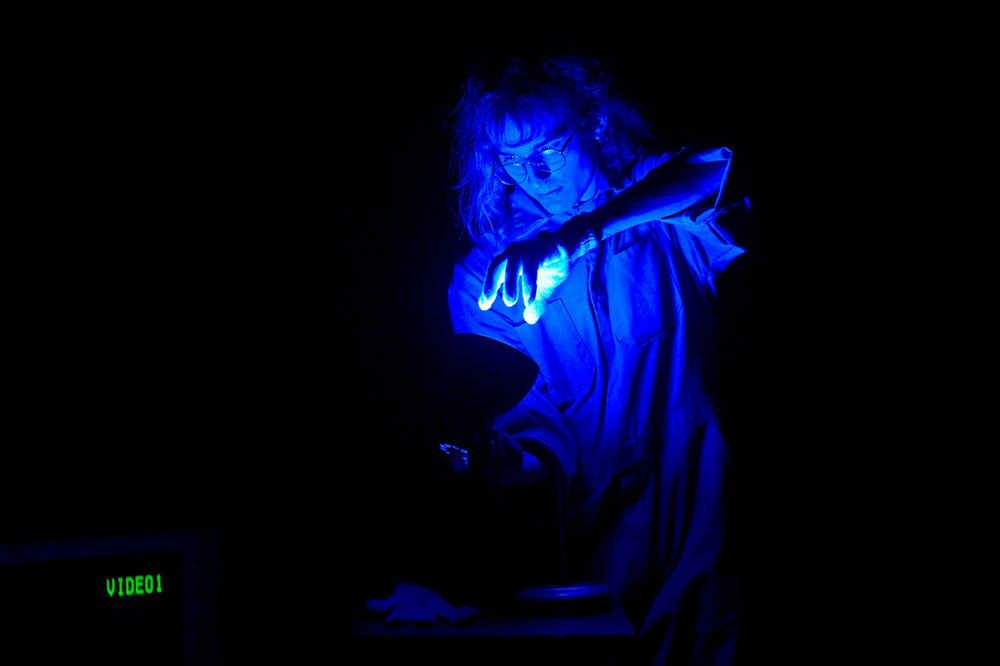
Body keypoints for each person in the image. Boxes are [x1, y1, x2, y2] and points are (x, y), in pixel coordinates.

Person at [368, 54, 749, 665]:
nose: (533, 173)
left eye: (548, 147)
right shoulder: (485, 276)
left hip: (702, 499)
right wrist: (505, 459)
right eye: (511, 161)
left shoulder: (654, 205)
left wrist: (579, 234)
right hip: (595, 531)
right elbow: (537, 441)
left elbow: (716, 167)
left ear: (596, 123)